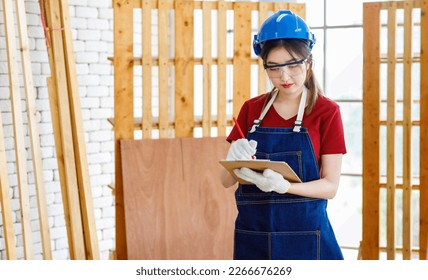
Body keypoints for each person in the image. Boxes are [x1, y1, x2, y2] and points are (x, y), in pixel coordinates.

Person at [221, 10, 346, 260]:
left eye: (292, 65)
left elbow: (330, 186)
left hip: (307, 237)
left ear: (308, 62)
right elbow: (225, 182)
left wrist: (286, 186)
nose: (284, 76)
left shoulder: (326, 112)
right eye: (274, 67)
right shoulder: (251, 109)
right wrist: (232, 158)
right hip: (253, 237)